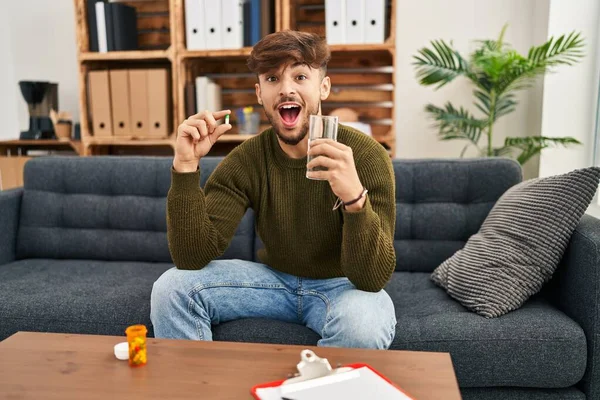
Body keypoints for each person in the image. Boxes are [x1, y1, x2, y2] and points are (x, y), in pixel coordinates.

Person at [150, 30, 397, 349]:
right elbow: (191, 257)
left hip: (344, 286)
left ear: (323, 87)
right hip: (272, 281)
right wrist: (185, 167)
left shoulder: (368, 156)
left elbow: (372, 279)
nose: (286, 89)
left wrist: (353, 199)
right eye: (272, 79)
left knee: (363, 326)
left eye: (300, 76)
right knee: (172, 288)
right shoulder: (247, 159)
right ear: (259, 93)